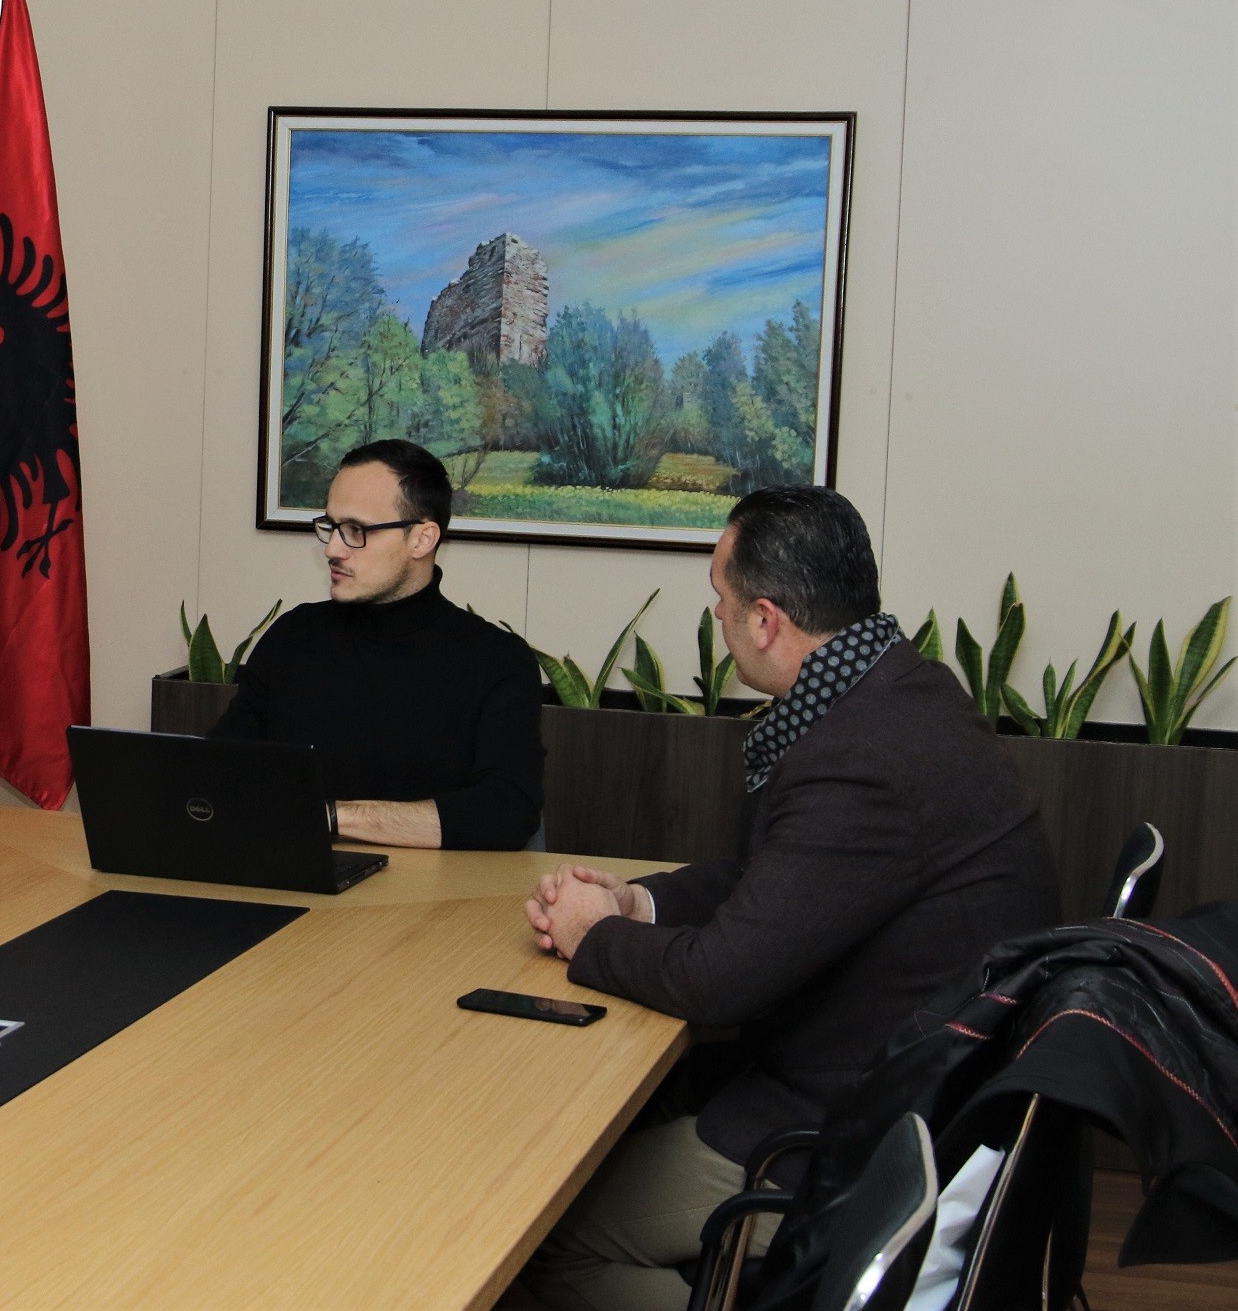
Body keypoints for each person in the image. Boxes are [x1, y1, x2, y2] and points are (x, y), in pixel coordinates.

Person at [516, 486, 1059, 1311]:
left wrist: (591, 934)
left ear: (765, 619)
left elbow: (720, 981)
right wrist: (639, 904)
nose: (720, 620)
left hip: (850, 1129)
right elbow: (776, 878)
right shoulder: (900, 688)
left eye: (720, 601)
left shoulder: (858, 757)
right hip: (925, 1086)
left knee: (550, 1237)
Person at [208, 439, 543, 850]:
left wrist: (331, 816)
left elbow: (507, 811)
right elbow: (218, 771)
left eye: (356, 531)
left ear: (422, 539)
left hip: (431, 900)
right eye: (331, 527)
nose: (332, 549)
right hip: (291, 876)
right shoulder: (293, 637)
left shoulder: (496, 660)